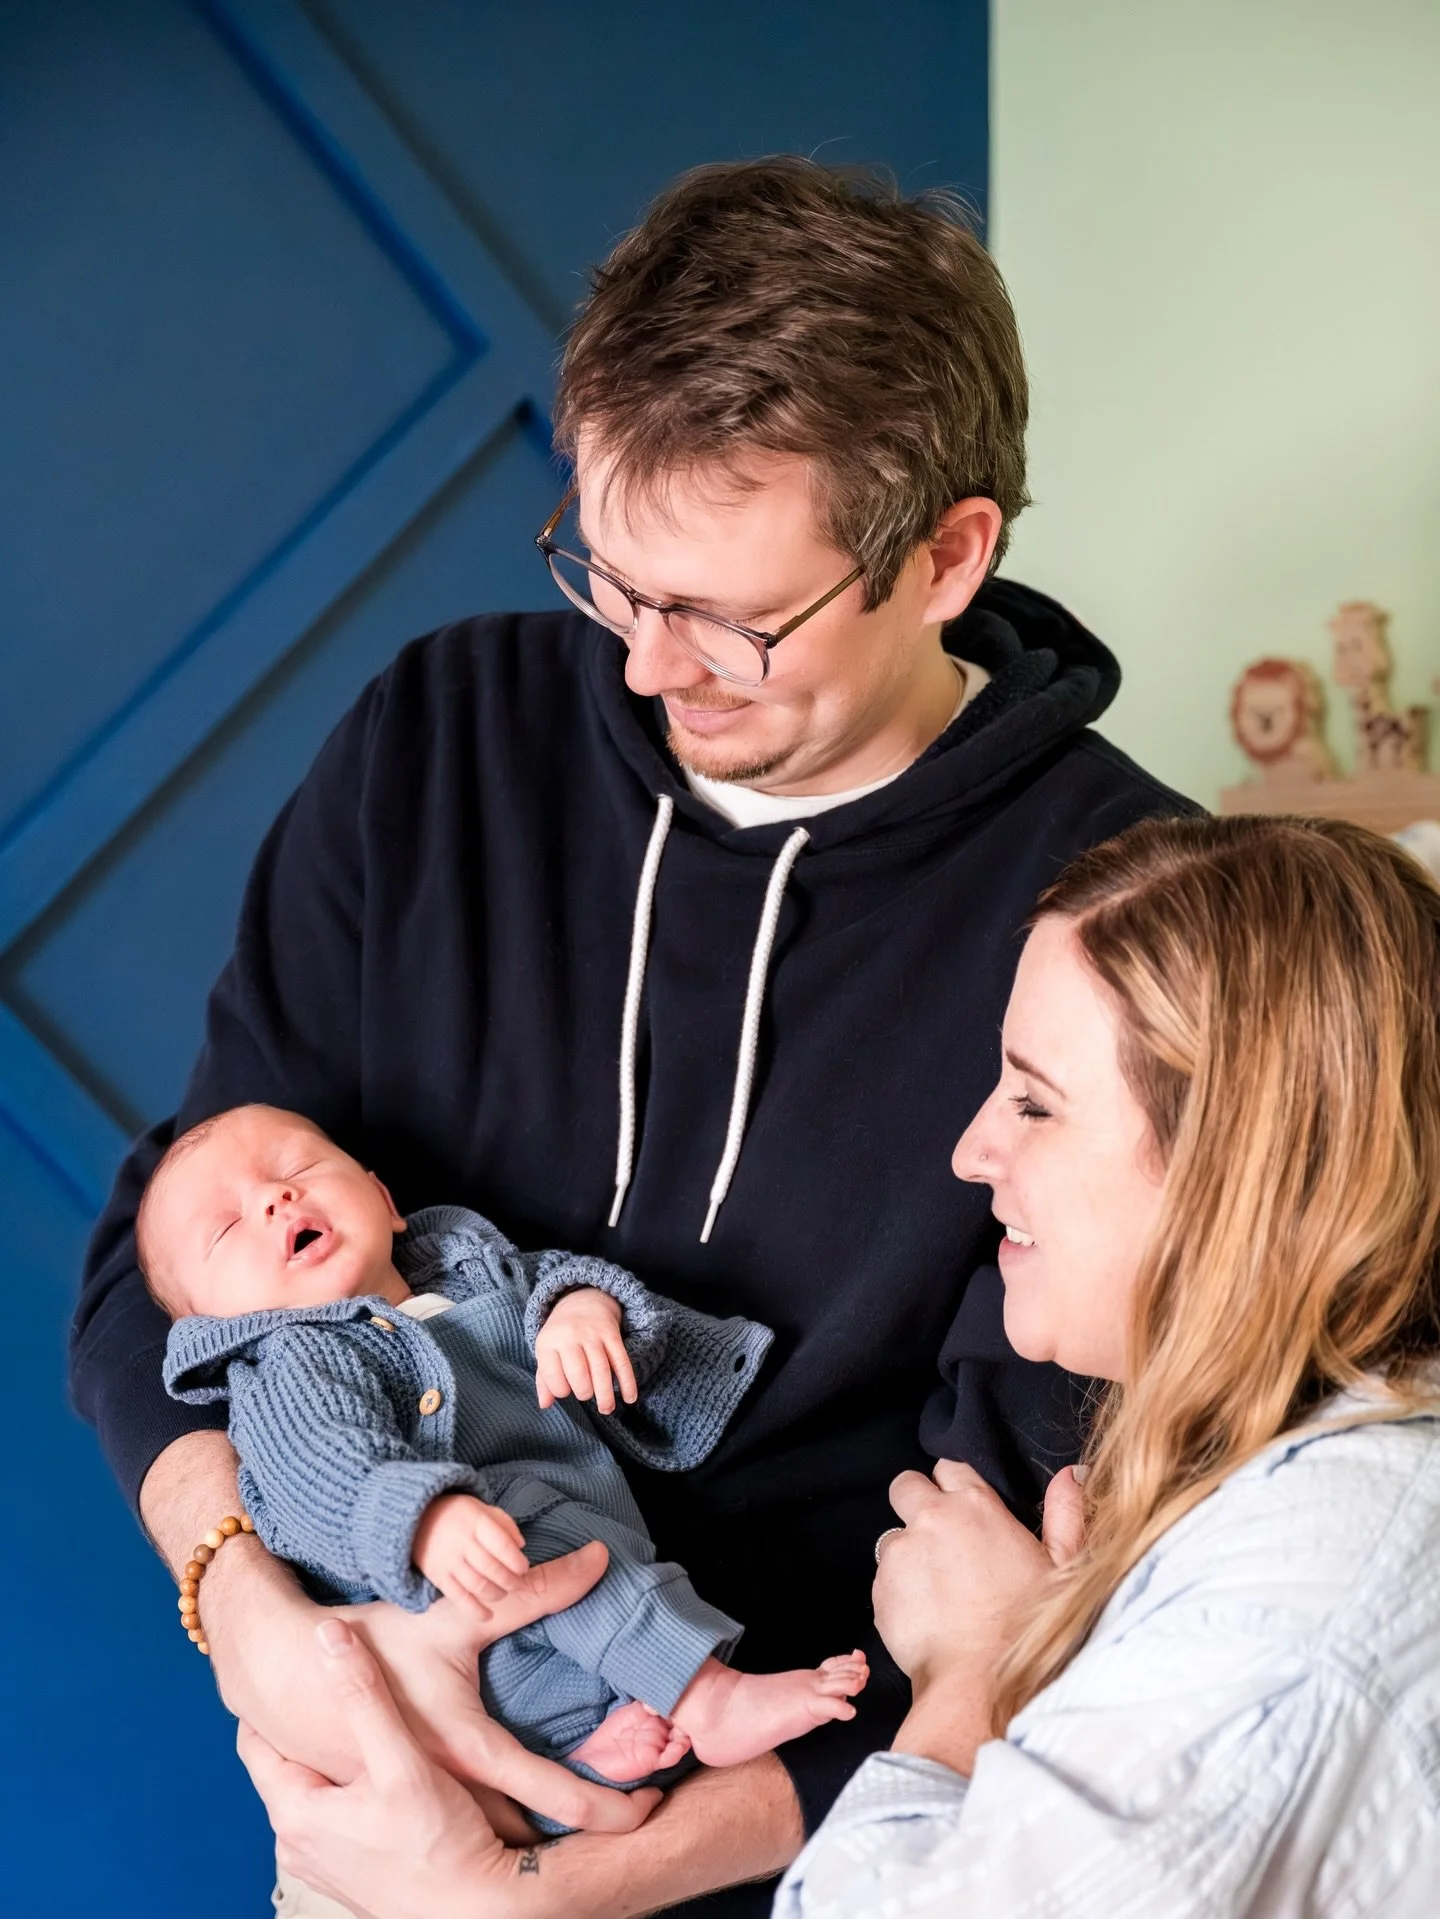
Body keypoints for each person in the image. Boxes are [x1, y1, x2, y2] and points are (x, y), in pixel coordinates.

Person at [72, 157, 1192, 1914]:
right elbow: (168, 1259)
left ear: (949, 554)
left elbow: (1035, 1519)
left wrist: (591, 1878)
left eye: (732, 616)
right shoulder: (441, 733)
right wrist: (257, 1616)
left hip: (823, 1844)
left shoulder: (1133, 913)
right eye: (608, 574)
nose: (649, 667)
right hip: (373, 1788)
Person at [775, 813, 1440, 1914]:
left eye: (1035, 1101)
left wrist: (969, 1685)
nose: (972, 1148)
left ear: (1235, 1168)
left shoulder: (1301, 1606)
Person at [145, 1103, 867, 1805]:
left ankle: (587, 1768)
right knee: (531, 1529)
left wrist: (584, 1310)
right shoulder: (290, 1362)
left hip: (581, 1607)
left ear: (385, 1199)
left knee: (611, 1735)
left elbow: (563, 1276)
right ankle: (707, 1695)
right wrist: (419, 1518)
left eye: (297, 1167)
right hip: (465, 1613)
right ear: (211, 1328)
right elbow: (320, 1466)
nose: (276, 1198)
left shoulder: (473, 1271)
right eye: (228, 1225)